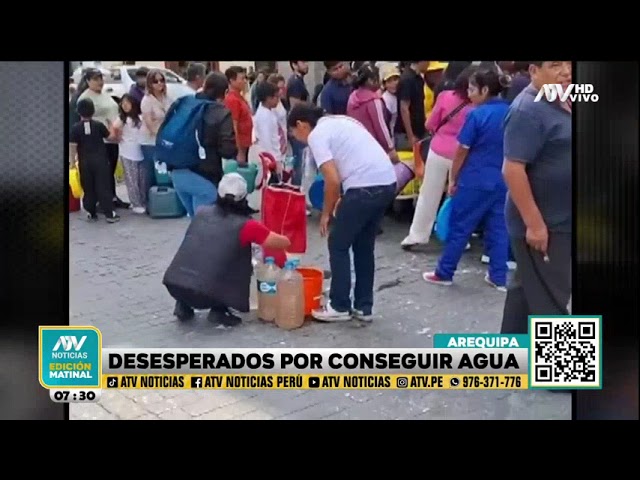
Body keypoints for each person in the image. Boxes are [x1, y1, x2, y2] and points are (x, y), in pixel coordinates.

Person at [288, 104, 396, 322]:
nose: (296, 138)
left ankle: (339, 305)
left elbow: (332, 180)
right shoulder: (339, 121)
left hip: (363, 187)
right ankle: (364, 306)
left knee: (338, 243)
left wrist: (326, 213)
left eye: (293, 133)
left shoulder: (317, 135)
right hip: (387, 182)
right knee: (363, 245)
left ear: (301, 124)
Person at [500, 61, 572, 334]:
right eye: (555, 65)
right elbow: (513, 169)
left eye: (568, 64)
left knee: (528, 293)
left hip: (561, 219)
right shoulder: (526, 111)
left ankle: (506, 357)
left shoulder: (563, 97)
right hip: (546, 224)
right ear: (534, 71)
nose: (566, 71)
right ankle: (565, 374)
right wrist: (535, 224)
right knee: (552, 302)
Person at [423, 69, 511, 291]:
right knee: (499, 228)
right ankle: (498, 277)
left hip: (475, 179)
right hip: (503, 179)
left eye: (472, 89)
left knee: (460, 226)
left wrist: (453, 178)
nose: (469, 94)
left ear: (484, 90)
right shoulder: (512, 112)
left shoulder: (476, 115)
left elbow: (462, 149)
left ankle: (444, 272)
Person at [168, 173, 290, 326]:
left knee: (204, 251)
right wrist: (289, 234)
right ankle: (219, 309)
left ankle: (183, 305)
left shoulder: (201, 212)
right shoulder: (247, 225)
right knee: (238, 258)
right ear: (244, 196)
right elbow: (281, 243)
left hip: (175, 285)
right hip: (208, 293)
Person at [401, 65, 475, 249]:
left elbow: (430, 123)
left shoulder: (444, 97)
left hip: (438, 151)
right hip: (462, 155)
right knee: (458, 197)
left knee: (428, 194)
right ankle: (457, 238)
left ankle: (417, 235)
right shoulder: (476, 107)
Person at [171, 72, 238, 218]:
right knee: (204, 227)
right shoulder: (220, 112)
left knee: (196, 222)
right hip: (204, 177)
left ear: (204, 86)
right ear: (225, 92)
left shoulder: (184, 102)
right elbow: (228, 150)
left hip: (177, 173)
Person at [78, 68, 129, 209]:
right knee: (103, 173)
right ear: (87, 81)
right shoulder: (85, 98)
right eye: (95, 79)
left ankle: (112, 197)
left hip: (113, 138)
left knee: (111, 170)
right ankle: (102, 201)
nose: (99, 82)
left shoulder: (105, 94)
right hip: (99, 140)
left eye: (100, 78)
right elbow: (84, 121)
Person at [69, 98, 120, 223]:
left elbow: (72, 147)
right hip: (100, 160)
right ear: (93, 111)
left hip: (84, 161)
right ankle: (109, 213)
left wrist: (72, 164)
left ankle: (91, 213)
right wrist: (111, 127)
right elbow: (111, 137)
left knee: (88, 187)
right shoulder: (98, 125)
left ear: (78, 112)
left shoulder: (75, 128)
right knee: (103, 186)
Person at [346, 63, 398, 162]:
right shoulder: (373, 101)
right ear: (371, 80)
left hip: (355, 146)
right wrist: (390, 148)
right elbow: (380, 126)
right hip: (373, 147)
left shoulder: (352, 97)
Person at [112, 94, 147, 214]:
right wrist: (118, 137)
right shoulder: (121, 119)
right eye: (123, 103)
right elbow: (114, 129)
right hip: (127, 151)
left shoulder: (140, 117)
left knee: (141, 178)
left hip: (140, 150)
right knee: (131, 179)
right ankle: (136, 203)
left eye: (127, 102)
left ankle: (143, 201)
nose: (125, 105)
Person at [140, 69, 173, 190]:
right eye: (155, 81)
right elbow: (149, 123)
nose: (159, 83)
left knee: (164, 172)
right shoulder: (147, 100)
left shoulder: (167, 98)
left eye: (162, 80)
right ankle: (151, 203)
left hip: (165, 139)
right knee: (151, 173)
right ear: (150, 84)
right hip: (150, 141)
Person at [395, 61, 431, 150]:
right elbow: (404, 108)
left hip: (420, 130)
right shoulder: (407, 79)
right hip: (408, 134)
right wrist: (410, 136)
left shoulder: (419, 78)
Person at [286, 61, 310, 185]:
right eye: (303, 62)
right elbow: (295, 109)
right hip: (298, 130)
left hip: (300, 129)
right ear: (294, 65)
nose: (306, 64)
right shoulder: (295, 83)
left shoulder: (298, 81)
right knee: (299, 165)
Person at [224, 66, 253, 165]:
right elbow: (233, 125)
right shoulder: (232, 100)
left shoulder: (239, 97)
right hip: (240, 146)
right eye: (242, 79)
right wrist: (238, 150)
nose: (245, 81)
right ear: (232, 81)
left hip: (245, 144)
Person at [253, 81, 283, 163]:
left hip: (275, 154)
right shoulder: (264, 116)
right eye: (276, 97)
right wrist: (273, 160)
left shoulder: (270, 112)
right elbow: (266, 141)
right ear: (268, 98)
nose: (278, 100)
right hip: (271, 158)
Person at [266, 74, 288, 158]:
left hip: (283, 138)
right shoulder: (272, 105)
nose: (281, 91)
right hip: (277, 140)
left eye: (283, 88)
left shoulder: (280, 102)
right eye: (279, 88)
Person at [380, 64, 401, 137]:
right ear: (384, 84)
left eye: (395, 79)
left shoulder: (400, 94)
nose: (393, 84)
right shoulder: (385, 99)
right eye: (389, 81)